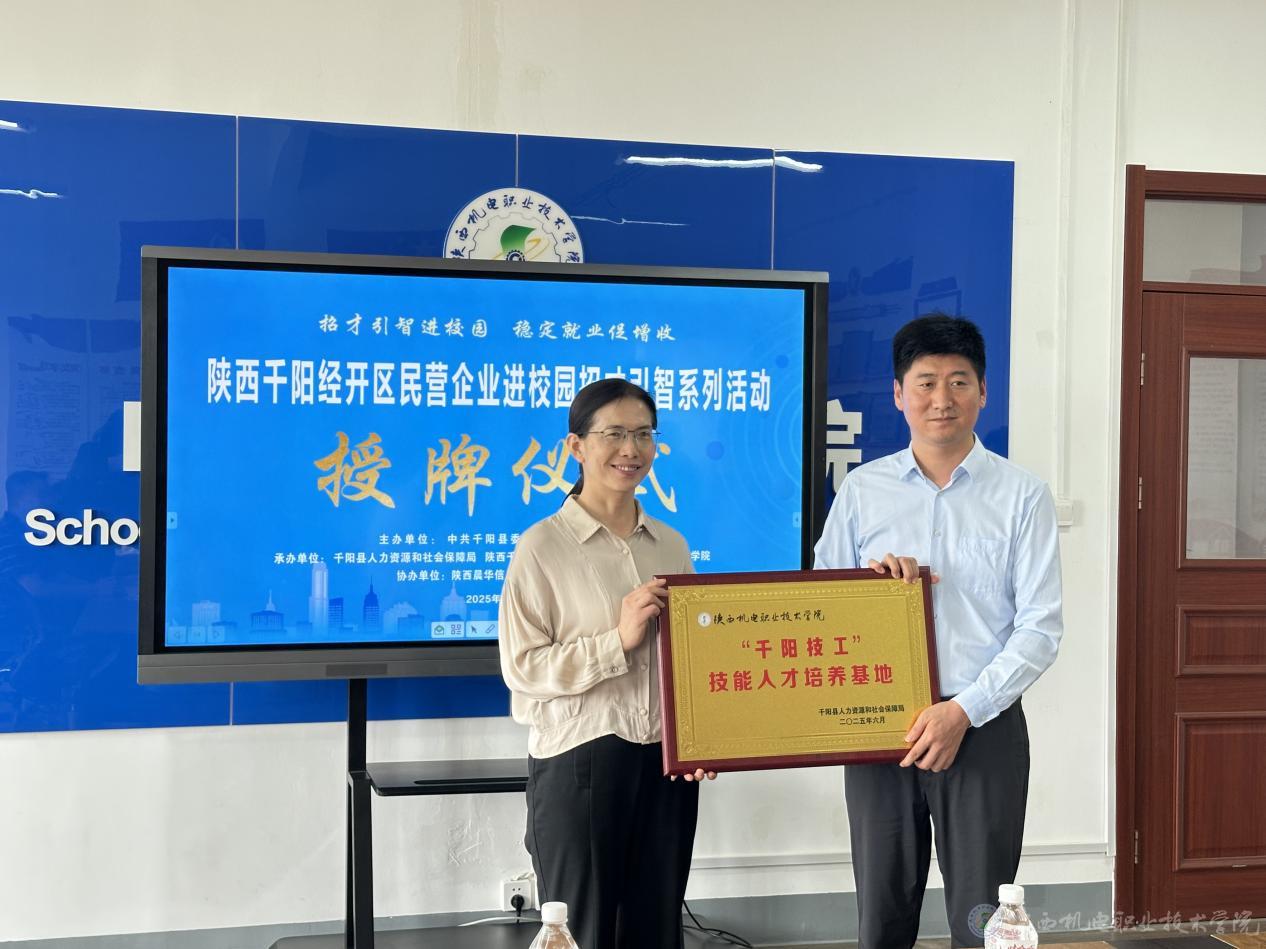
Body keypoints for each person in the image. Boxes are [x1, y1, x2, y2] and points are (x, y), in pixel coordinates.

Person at [814, 314, 1062, 949]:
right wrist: (868, 588)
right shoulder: (862, 491)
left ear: (983, 391)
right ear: (899, 394)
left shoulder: (1023, 496)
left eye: (959, 381)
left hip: (982, 728)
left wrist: (962, 711)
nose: (941, 399)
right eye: (925, 383)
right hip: (878, 724)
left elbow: (1040, 628)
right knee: (882, 914)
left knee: (982, 917)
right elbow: (820, 605)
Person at [499, 378, 714, 949]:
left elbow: (690, 660)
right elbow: (523, 668)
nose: (630, 449)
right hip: (579, 762)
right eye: (614, 433)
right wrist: (617, 641)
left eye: (643, 434)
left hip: (664, 764)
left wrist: (703, 739)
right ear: (576, 446)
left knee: (657, 929)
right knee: (581, 932)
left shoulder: (671, 545)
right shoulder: (541, 546)